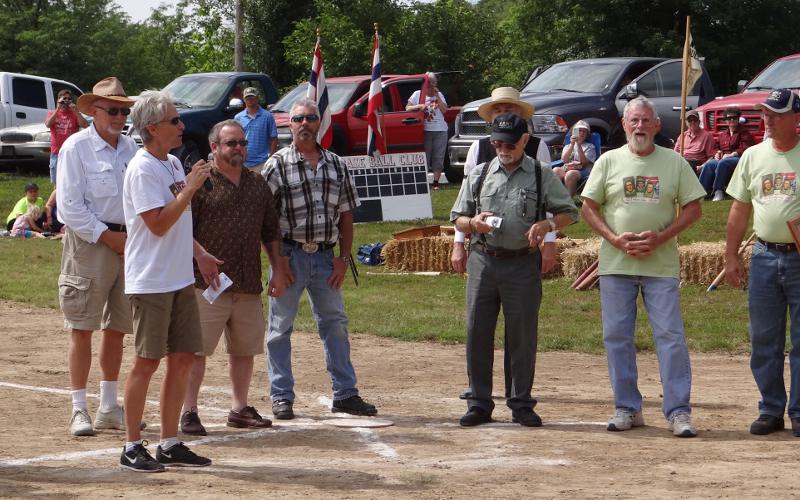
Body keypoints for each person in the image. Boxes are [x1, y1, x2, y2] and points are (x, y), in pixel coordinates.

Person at [581, 96, 705, 438]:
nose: (639, 126)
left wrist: (662, 237)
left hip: (661, 265)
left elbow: (694, 210)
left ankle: (678, 411)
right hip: (616, 263)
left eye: (645, 121)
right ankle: (627, 407)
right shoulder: (608, 162)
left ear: (656, 125)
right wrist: (614, 238)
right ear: (624, 125)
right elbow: (588, 207)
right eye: (633, 120)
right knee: (617, 337)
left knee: (670, 337)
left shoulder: (675, 162)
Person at [450, 113, 578, 427]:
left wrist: (547, 225)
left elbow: (569, 212)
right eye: (496, 142)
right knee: (477, 331)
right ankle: (479, 402)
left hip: (522, 262)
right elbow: (458, 217)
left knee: (521, 335)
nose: (502, 148)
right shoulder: (479, 174)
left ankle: (521, 403)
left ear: (524, 141)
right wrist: (472, 223)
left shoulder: (540, 173)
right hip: (483, 259)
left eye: (509, 143)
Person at [263, 98, 377, 420]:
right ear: (289, 124)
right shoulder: (277, 165)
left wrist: (343, 258)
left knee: (335, 326)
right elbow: (266, 221)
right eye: (298, 118)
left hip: (326, 258)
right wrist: (276, 264)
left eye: (310, 118)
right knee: (279, 328)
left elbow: (346, 215)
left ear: (319, 123)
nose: (304, 124)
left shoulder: (336, 164)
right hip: (289, 256)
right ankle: (281, 396)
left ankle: (345, 393)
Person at [120, 90, 213, 472]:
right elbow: (157, 224)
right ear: (152, 128)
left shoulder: (173, 163)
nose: (182, 126)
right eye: (175, 121)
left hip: (177, 278)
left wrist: (199, 252)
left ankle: (170, 441)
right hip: (151, 281)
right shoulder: (141, 168)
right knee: (147, 361)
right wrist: (190, 187)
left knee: (183, 359)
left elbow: (176, 222)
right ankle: (130, 446)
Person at [180, 120, 286, 435]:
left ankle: (239, 408)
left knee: (244, 349)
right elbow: (181, 227)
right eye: (231, 143)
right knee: (195, 350)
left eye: (241, 142)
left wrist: (278, 268)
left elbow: (271, 230)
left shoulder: (257, 183)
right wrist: (198, 258)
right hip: (205, 283)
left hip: (248, 282)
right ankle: (189, 410)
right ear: (215, 147)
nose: (238, 148)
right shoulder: (199, 182)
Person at [56, 77, 138, 437]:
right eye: (114, 110)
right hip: (90, 242)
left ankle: (108, 406)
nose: (120, 116)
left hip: (128, 241)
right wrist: (107, 237)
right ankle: (78, 408)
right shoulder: (76, 147)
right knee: (82, 326)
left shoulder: (131, 148)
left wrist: (127, 239)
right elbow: (69, 206)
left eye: (124, 110)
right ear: (93, 112)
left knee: (118, 328)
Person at [725, 88, 800, 436]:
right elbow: (739, 210)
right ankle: (771, 409)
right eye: (765, 113)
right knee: (764, 339)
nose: (766, 118)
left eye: (774, 113)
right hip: (765, 256)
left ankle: (799, 412)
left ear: (794, 119)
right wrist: (731, 257)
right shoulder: (752, 156)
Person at [452, 87, 555, 275]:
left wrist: (550, 243)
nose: (502, 115)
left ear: (520, 115)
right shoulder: (477, 148)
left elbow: (549, 202)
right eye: (497, 110)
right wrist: (458, 244)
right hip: (484, 250)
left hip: (525, 250)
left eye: (508, 110)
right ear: (490, 117)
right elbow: (463, 202)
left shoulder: (538, 146)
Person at [699, 106, 755, 201]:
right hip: (723, 159)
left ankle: (718, 191)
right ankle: (701, 192)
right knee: (709, 164)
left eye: (734, 117)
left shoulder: (745, 133)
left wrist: (732, 154)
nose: (732, 120)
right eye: (729, 118)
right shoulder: (723, 135)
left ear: (738, 118)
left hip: (739, 159)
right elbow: (716, 147)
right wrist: (717, 153)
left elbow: (746, 148)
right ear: (726, 120)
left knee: (723, 163)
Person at [406, 72, 448, 190]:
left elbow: (444, 110)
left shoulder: (439, 94)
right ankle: (423, 183)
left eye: (432, 83)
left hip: (440, 130)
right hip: (425, 130)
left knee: (438, 157)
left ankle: (435, 183)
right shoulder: (417, 94)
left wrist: (437, 96)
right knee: (425, 157)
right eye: (428, 83)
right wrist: (418, 106)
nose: (430, 85)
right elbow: (407, 108)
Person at [45, 89, 89, 186]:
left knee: (71, 181)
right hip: (56, 152)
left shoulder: (73, 114)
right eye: (64, 98)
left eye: (69, 99)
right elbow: (48, 124)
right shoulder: (52, 113)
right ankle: (56, 201)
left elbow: (85, 125)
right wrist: (58, 108)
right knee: (57, 184)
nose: (66, 101)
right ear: (59, 99)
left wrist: (76, 111)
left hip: (71, 152)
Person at [234, 87, 278, 172]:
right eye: (247, 98)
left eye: (252, 97)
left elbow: (273, 138)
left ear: (257, 98)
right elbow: (235, 139)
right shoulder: (238, 117)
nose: (250, 100)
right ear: (244, 100)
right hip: (243, 163)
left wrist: (271, 158)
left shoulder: (267, 116)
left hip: (263, 162)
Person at [553, 120, 597, 196]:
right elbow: (564, 160)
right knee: (556, 170)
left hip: (584, 170)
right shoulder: (568, 146)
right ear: (574, 133)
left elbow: (584, 163)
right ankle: (557, 198)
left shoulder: (590, 146)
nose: (582, 133)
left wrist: (579, 145)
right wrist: (572, 145)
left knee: (570, 174)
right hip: (567, 168)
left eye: (585, 131)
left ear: (587, 134)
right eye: (579, 130)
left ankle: (569, 201)